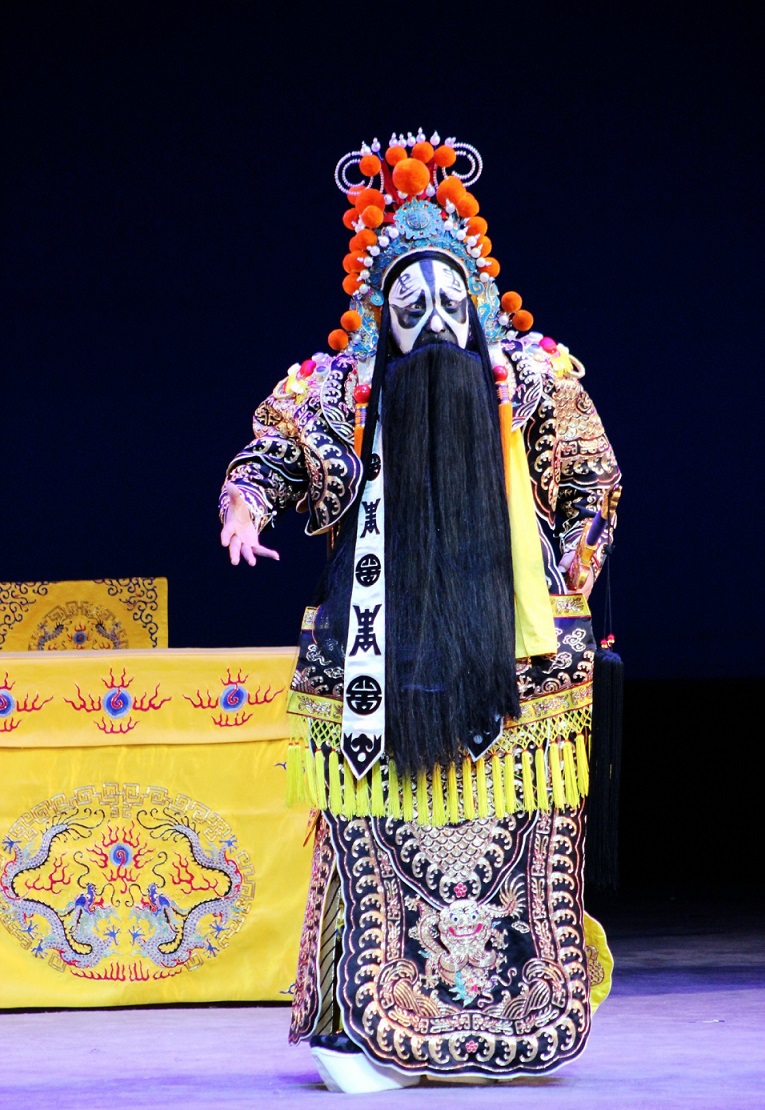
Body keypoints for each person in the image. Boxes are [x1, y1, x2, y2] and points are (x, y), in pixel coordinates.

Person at [219, 129, 621, 1092]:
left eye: (449, 305)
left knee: (513, 846)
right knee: (373, 846)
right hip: (380, 662)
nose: (434, 326)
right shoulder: (336, 391)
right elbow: (270, 456)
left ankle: (502, 1026)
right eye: (411, 309)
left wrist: (571, 569)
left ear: (476, 305)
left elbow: (593, 482)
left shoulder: (534, 377)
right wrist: (244, 505)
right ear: (381, 317)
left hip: (513, 660)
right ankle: (371, 1031)